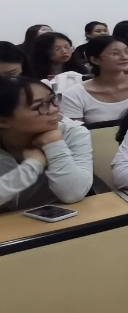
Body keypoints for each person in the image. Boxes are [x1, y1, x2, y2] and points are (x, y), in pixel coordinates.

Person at [0, 76, 93, 212]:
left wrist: (54, 145)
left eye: (53, 100)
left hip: (55, 217)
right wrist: (33, 165)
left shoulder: (72, 132)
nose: (54, 109)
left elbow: (73, 194)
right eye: (40, 106)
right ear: (3, 121)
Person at [60, 37, 128, 123]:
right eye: (114, 53)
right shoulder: (75, 94)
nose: (125, 57)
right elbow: (73, 130)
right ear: (95, 60)